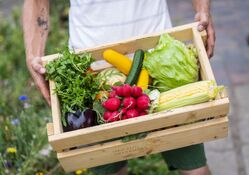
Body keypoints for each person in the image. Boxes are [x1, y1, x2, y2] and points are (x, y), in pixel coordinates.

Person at [22, 0, 215, 175]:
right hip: (93, 76)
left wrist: (203, 10)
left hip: (160, 66)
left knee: (195, 170)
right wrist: (33, 55)